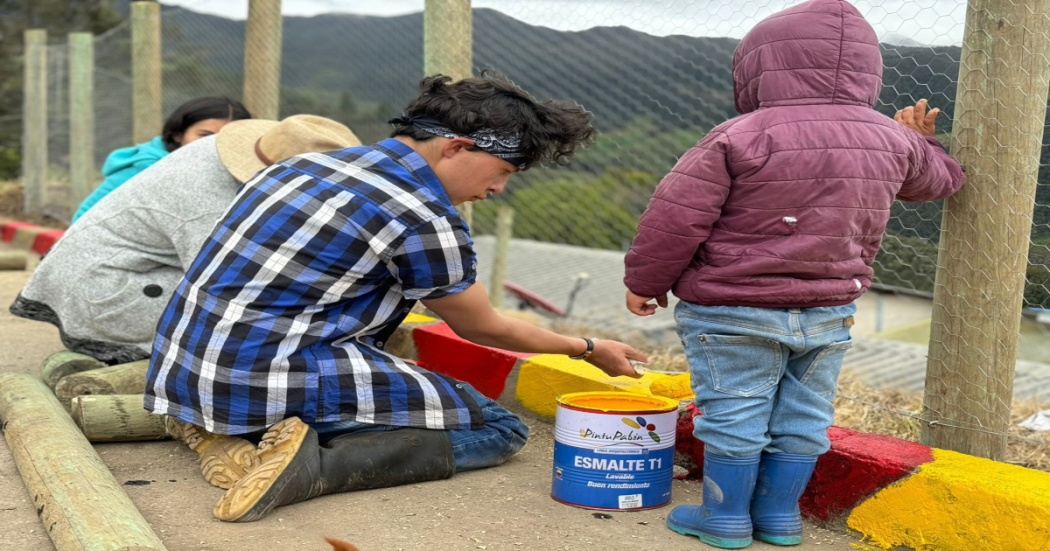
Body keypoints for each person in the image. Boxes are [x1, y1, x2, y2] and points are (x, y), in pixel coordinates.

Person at [144, 71, 649, 523]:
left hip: (184, 368)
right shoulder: (423, 214)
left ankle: (226, 430)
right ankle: (313, 466)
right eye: (503, 172)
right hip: (263, 372)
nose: (497, 189)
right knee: (498, 428)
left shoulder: (300, 167)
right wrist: (586, 347)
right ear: (456, 147)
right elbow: (482, 327)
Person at [623, 0, 965, 548]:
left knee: (734, 411)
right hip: (829, 310)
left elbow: (676, 216)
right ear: (867, 70)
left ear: (759, 67)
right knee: (805, 414)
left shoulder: (740, 134)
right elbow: (939, 182)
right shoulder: (889, 137)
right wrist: (920, 140)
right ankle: (780, 519)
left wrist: (645, 281)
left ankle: (725, 519)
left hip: (732, 308)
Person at [10, 115, 360, 367]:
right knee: (244, 330)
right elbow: (225, 288)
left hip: (107, 276)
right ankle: (123, 354)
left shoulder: (214, 151)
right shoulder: (208, 205)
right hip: (107, 294)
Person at [72, 96, 252, 222]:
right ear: (177, 135)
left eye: (227, 137)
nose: (214, 145)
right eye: (205, 136)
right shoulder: (149, 167)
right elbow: (85, 218)